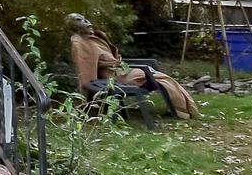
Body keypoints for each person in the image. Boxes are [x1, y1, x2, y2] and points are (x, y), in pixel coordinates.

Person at [66, 13, 199, 122]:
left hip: (122, 71)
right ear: (74, 27)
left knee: (163, 78)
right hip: (115, 76)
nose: (86, 21)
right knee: (162, 78)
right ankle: (183, 111)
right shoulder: (79, 43)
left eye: (84, 18)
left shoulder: (94, 38)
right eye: (79, 20)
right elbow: (86, 68)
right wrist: (86, 97)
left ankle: (183, 109)